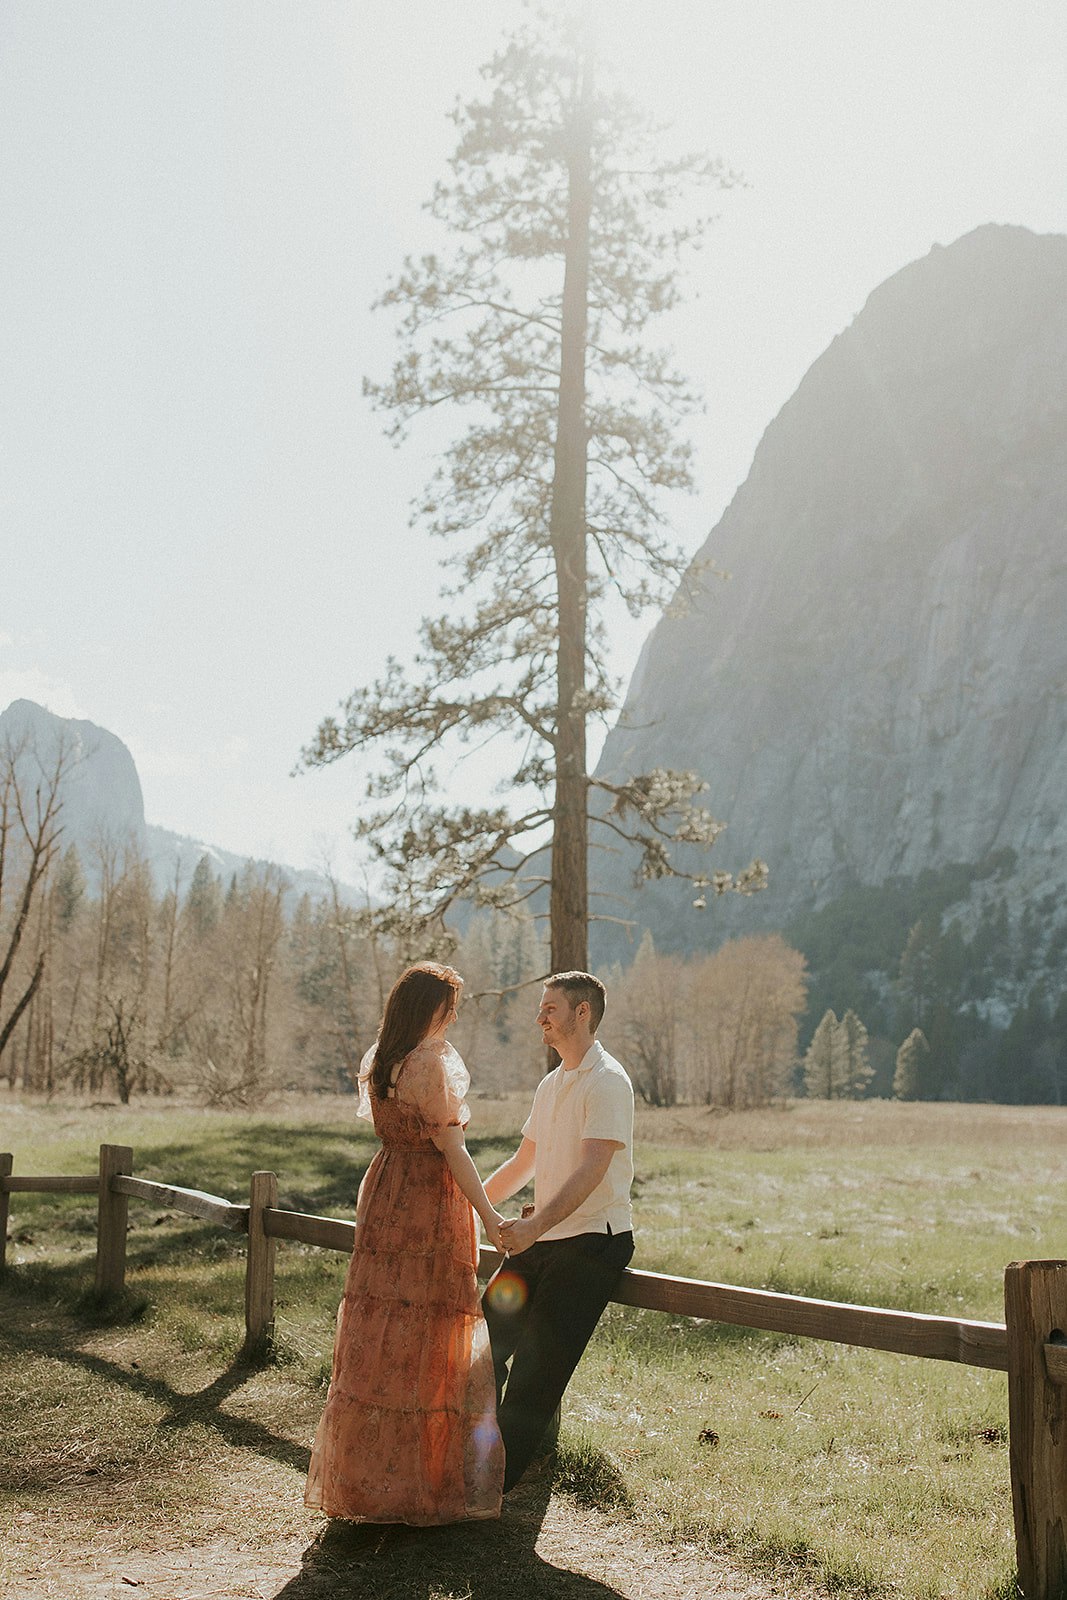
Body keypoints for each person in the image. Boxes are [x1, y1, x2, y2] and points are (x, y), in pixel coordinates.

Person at [305, 962, 506, 1525]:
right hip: (426, 1202)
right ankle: (420, 1484)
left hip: (386, 1193)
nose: (454, 1017)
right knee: (431, 1334)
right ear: (430, 1010)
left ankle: (370, 1481)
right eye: (450, 1007)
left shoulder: (383, 1059)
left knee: (384, 1330)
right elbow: (452, 1149)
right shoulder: (430, 1063)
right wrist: (488, 1213)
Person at [482, 970, 634, 1492]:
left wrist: (535, 1227)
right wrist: (471, 1206)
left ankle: (491, 1484)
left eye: (550, 1008)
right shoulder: (552, 1083)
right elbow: (525, 1160)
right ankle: (463, 1459)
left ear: (582, 1012)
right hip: (540, 1239)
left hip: (592, 1243)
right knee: (481, 1346)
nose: (540, 1017)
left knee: (535, 1374)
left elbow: (592, 1170)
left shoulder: (608, 1081)